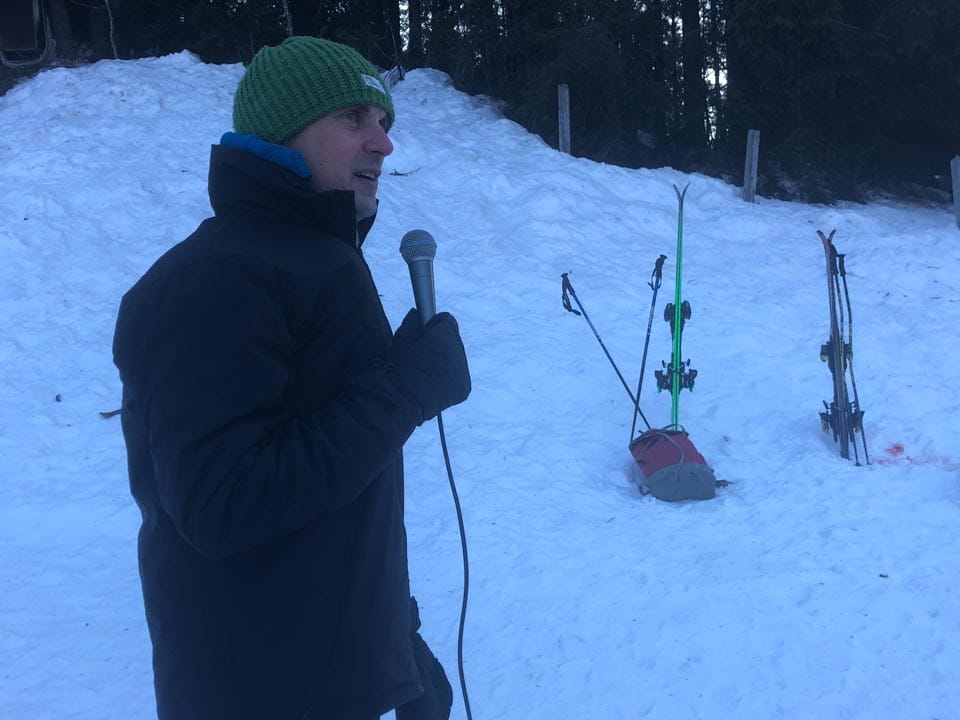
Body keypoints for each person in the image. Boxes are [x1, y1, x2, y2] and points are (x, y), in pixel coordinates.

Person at [112, 36, 471, 720]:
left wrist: (394, 639)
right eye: (353, 118)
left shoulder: (313, 260)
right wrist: (405, 390)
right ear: (283, 130)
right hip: (261, 692)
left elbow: (332, 485)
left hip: (337, 674)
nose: (383, 144)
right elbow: (224, 503)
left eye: (384, 121)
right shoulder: (213, 279)